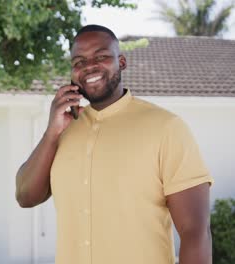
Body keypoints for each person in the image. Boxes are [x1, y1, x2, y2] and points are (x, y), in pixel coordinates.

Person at [15, 24, 214, 264]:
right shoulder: (63, 132)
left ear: (121, 62)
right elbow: (26, 197)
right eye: (79, 61)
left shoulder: (167, 128)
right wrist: (51, 133)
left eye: (101, 56)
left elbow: (195, 232)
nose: (89, 66)